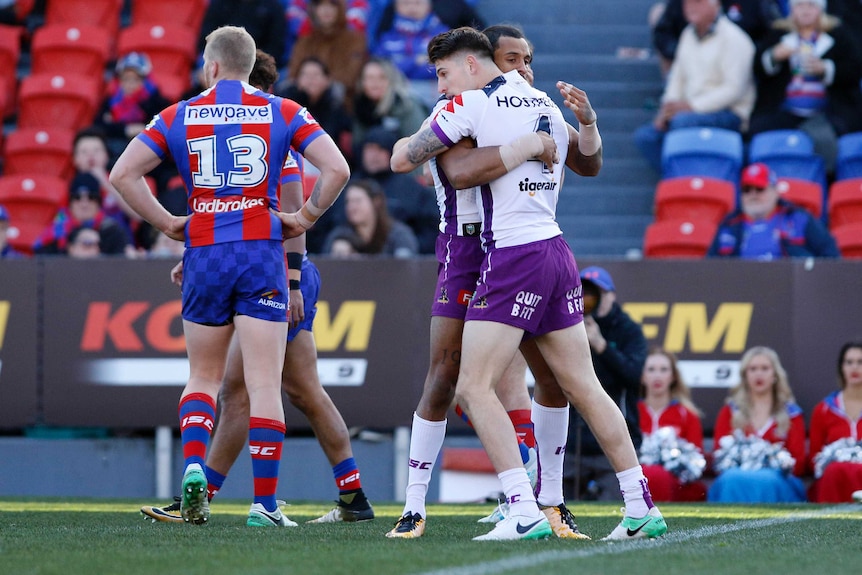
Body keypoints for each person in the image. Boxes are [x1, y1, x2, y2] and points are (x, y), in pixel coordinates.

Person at [390, 26, 665, 541]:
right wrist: (570, 129)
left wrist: (523, 145)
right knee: (577, 384)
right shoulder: (541, 101)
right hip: (556, 249)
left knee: (471, 385)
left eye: (445, 72)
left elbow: (407, 160)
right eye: (514, 56)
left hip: (509, 252)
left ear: (472, 65)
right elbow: (587, 162)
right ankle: (638, 503)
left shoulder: (470, 103)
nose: (441, 84)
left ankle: (522, 507)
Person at [110, 25, 350, 527]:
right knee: (264, 385)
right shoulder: (283, 111)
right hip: (261, 252)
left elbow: (122, 175)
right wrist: (304, 219)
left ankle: (194, 465)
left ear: (211, 66)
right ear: (247, 64)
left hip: (205, 252)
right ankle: (263, 506)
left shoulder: (180, 113)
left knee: (203, 376)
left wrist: (169, 223)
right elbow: (337, 169)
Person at [634, 0, 756, 174]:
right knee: (646, 137)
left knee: (681, 123)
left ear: (715, 5)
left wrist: (692, 107)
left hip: (729, 113)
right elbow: (677, 79)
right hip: (688, 111)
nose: (690, 7)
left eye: (698, 2)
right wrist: (667, 109)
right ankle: (680, 181)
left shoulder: (735, 39)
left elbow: (734, 89)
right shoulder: (687, 35)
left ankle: (690, 182)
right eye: (687, 2)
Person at [749, 0, 862, 174]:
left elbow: (854, 70)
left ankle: (827, 183)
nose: (805, 11)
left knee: (826, 140)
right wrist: (773, 56)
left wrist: (825, 69)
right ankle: (766, 179)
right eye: (800, 5)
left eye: (811, 5)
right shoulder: (779, 34)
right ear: (792, 10)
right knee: (759, 133)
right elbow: (757, 69)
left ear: (821, 10)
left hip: (826, 112)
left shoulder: (839, 35)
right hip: (785, 109)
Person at [564, 266, 648, 501]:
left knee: (614, 508)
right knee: (558, 509)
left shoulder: (629, 330)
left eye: (598, 292)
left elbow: (634, 376)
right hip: (572, 441)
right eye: (585, 293)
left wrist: (601, 346)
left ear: (611, 295)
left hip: (615, 442)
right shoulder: (566, 327)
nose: (591, 299)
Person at [708, 346, 807, 502]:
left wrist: (773, 460)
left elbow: (798, 463)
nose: (758, 374)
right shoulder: (730, 411)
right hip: (737, 478)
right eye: (753, 369)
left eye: (765, 368)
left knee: (768, 480)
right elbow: (719, 457)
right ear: (745, 375)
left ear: (775, 375)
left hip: (777, 481)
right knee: (730, 479)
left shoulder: (792, 414)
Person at [707, 162, 839, 258]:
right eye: (747, 190)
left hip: (790, 290)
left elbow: (830, 255)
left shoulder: (798, 218)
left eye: (759, 189)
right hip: (739, 292)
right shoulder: (729, 225)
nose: (753, 195)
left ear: (775, 191)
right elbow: (709, 269)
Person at [638, 347, 708, 502]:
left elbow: (696, 457)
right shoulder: (631, 412)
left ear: (673, 377)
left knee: (658, 477)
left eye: (664, 370)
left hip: (675, 482)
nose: (657, 376)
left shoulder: (687, 414)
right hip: (637, 479)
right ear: (642, 376)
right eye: (651, 369)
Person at [353, 126, 438, 253]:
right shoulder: (350, 187)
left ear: (391, 153)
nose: (374, 156)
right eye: (369, 149)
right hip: (353, 260)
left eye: (380, 149)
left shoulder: (412, 189)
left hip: (403, 260)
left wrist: (411, 247)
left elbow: (432, 227)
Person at [651, 0, 780, 77]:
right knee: (658, 12)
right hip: (690, 67)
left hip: (739, 69)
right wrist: (687, 55)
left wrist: (748, 57)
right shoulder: (688, 33)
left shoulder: (734, 32)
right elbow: (662, 33)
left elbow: (772, 34)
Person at [807, 341, 862, 502]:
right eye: (849, 362)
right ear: (841, 367)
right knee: (834, 471)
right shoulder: (823, 409)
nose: (854, 367)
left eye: (860, 362)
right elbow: (814, 458)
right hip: (834, 480)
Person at [71, 127, 144, 247]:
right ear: (75, 159)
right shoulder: (67, 186)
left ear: (106, 155)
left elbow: (140, 216)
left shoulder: (123, 180)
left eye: (96, 151)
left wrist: (107, 184)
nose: (91, 157)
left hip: (119, 247)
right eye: (84, 152)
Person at [286, 0, 368, 107]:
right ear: (314, 10)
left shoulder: (356, 40)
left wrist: (319, 84)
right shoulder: (304, 41)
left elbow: (351, 77)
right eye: (320, 5)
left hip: (341, 105)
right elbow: (294, 74)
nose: (326, 10)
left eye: (332, 5)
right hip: (305, 103)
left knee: (337, 91)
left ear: (340, 9)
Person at [372, 0, 449, 108]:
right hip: (396, 98)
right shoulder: (387, 38)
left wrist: (401, 65)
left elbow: (445, 68)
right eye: (406, 3)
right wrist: (416, 61)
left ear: (429, 5)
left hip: (436, 97)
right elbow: (381, 69)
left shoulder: (442, 35)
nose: (412, 8)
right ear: (396, 6)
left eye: (418, 3)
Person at [34, 173, 132, 256]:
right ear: (70, 203)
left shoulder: (112, 232)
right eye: (77, 197)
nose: (84, 204)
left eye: (91, 197)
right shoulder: (56, 232)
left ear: (99, 202)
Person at [351, 57, 428, 158]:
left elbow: (419, 146)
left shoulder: (406, 105)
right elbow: (357, 146)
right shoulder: (360, 107)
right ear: (362, 82)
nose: (375, 83)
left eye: (382, 77)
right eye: (370, 78)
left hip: (404, 166)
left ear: (391, 81)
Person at [321, 178, 419, 257]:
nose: (351, 207)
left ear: (376, 202)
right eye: (348, 202)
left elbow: (406, 267)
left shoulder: (398, 234)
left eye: (357, 201)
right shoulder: (339, 235)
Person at [281, 57, 354, 161]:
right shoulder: (286, 104)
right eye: (305, 75)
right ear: (297, 79)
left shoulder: (336, 107)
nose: (310, 80)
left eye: (316, 75)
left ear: (327, 79)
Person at [95, 52, 170, 143]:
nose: (130, 84)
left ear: (146, 81)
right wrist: (125, 130)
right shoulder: (110, 101)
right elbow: (98, 127)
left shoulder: (158, 102)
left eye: (136, 79)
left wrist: (143, 128)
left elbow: (163, 127)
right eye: (126, 79)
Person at [197, 0, 288, 69]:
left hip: (255, 63)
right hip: (220, 58)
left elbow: (275, 47)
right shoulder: (220, 3)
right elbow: (207, 38)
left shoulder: (273, 8)